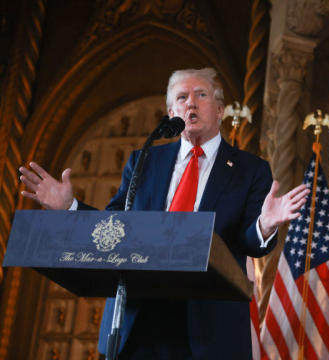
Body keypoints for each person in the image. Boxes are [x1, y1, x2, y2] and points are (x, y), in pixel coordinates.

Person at [18, 67, 309, 359]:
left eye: (201, 95)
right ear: (172, 113)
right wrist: (70, 208)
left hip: (208, 329)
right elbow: (114, 227)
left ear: (220, 110)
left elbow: (248, 242)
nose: (191, 103)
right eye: (182, 97)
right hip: (140, 321)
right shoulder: (144, 160)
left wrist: (265, 224)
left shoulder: (250, 169)